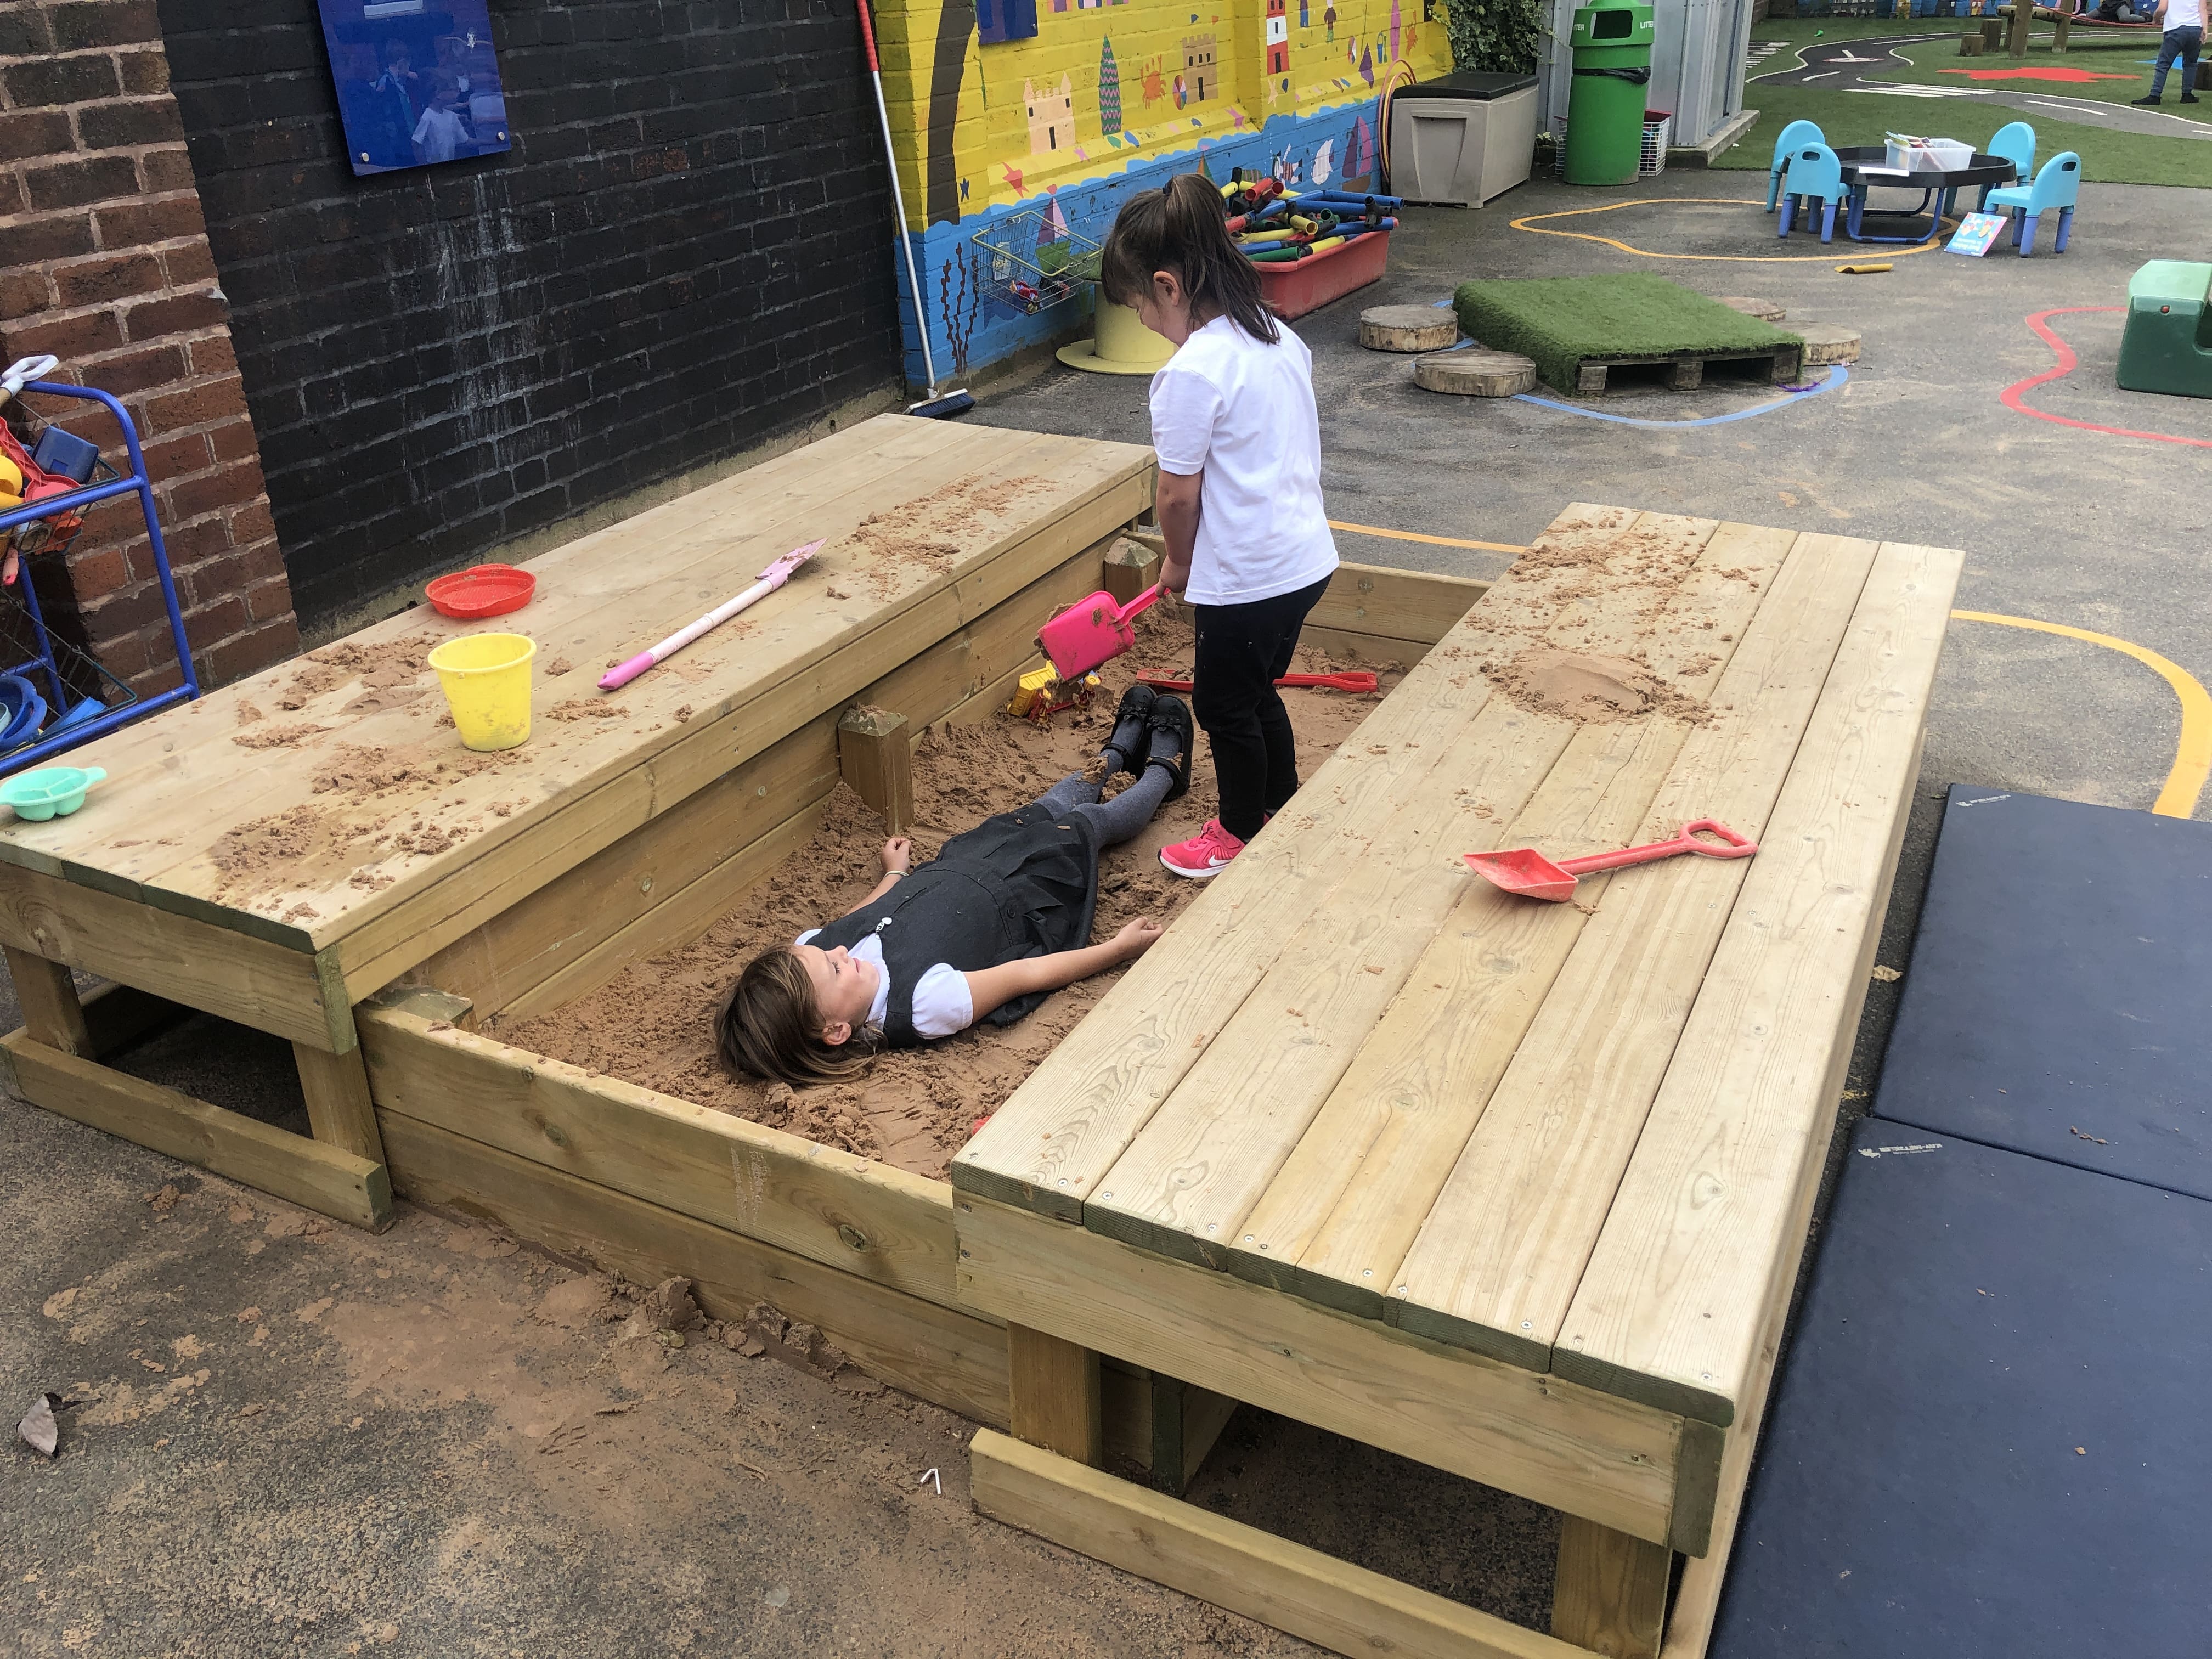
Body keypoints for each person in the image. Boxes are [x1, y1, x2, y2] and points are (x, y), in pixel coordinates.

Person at [716, 690, 1193, 1086]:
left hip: (967, 862)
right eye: (835, 969)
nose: (839, 950)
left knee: (1044, 808)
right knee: (1087, 824)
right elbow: (1026, 976)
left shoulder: (815, 950)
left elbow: (860, 918)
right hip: (1022, 895)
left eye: (825, 954)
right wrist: (1117, 949)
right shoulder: (923, 1006)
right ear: (837, 1031)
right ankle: (1162, 774)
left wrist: (895, 873)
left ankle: (1112, 755)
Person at [1098, 172, 1339, 881]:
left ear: (1169, 287)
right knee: (1255, 691)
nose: (1144, 321)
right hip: (1304, 562)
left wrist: (1177, 563)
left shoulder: (1191, 373)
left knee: (1222, 702)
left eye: (1141, 305)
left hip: (1248, 574)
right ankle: (1276, 806)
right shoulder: (1276, 340)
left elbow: (1177, 495)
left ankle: (1237, 832)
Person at [2132, 0, 2203, 103]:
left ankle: (2155, 94)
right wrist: (2204, 28)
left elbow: (2162, 8)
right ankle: (2187, 94)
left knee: (2163, 64)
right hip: (2195, 28)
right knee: (2191, 64)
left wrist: (2156, 18)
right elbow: (2203, 10)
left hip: (2176, 28)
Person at [411, 75, 471, 164]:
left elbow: (465, 141)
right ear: (438, 94)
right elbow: (416, 143)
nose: (456, 93)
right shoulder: (427, 116)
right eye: (451, 90)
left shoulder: (452, 116)